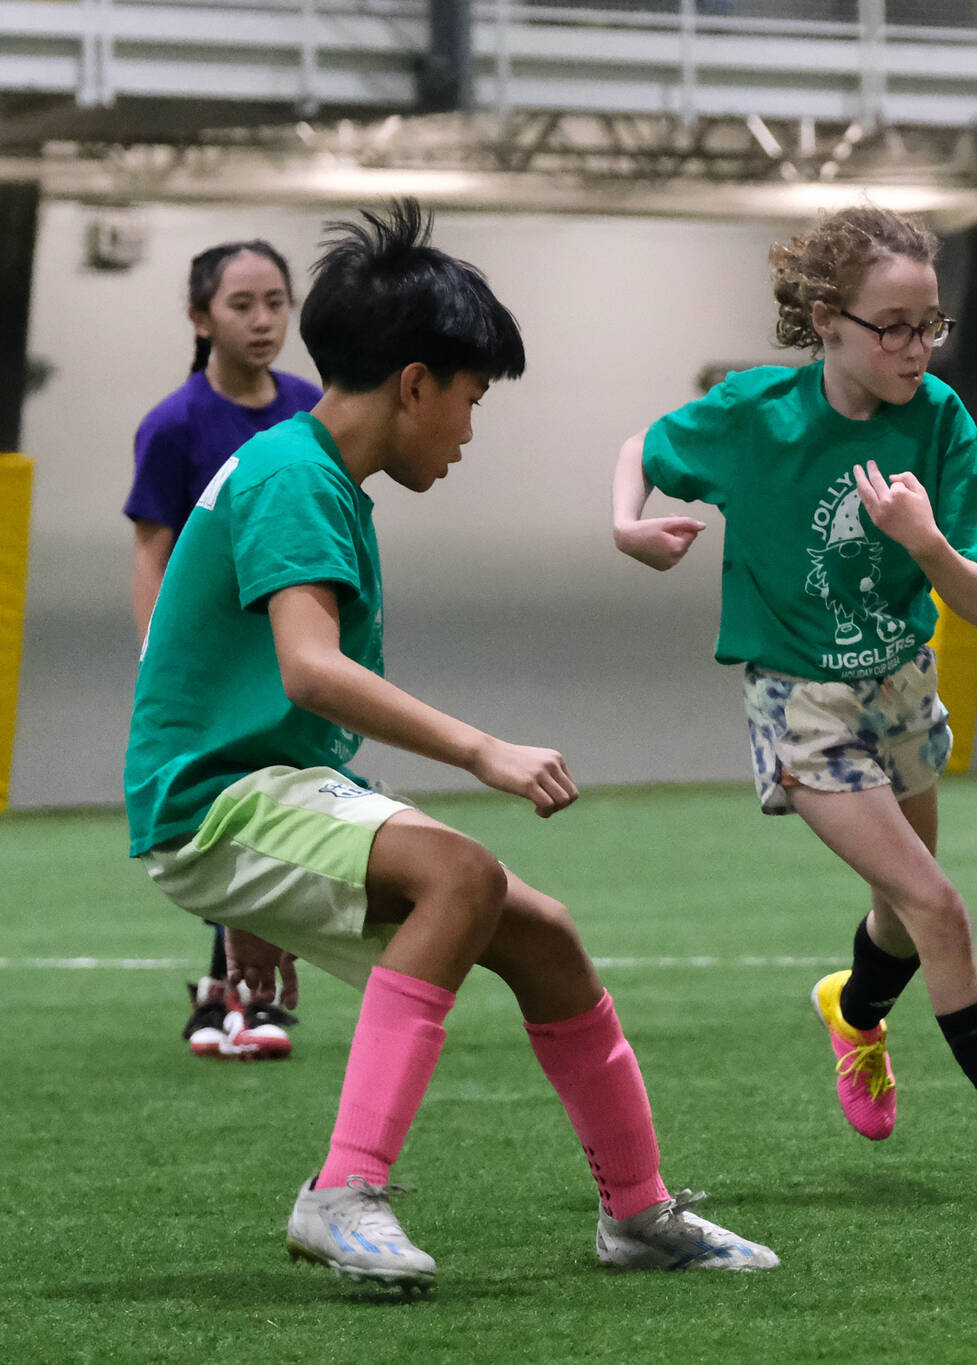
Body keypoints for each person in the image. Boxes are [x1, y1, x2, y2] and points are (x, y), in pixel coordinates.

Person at [124, 200, 777, 1291]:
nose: (470, 431)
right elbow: (310, 669)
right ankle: (343, 1193)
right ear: (417, 382)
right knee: (461, 874)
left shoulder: (314, 472)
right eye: (471, 400)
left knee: (546, 940)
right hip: (222, 800)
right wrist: (482, 750)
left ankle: (638, 1213)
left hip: (270, 785)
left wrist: (251, 903)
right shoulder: (295, 477)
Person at [610, 204, 977, 1208]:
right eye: (894, 326)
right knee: (936, 907)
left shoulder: (939, 419)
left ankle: (854, 1012)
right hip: (802, 707)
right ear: (827, 319)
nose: (916, 347)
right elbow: (640, 446)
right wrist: (627, 523)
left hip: (902, 684)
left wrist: (923, 540)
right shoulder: (753, 416)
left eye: (931, 325)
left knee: (901, 910)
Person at [127, 239, 322, 1060]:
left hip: (290, 648)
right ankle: (233, 994)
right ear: (201, 317)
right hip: (208, 662)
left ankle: (228, 995)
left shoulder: (312, 405)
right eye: (242, 304)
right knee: (223, 811)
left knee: (280, 806)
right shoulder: (172, 425)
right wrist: (155, 661)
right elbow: (152, 548)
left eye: (276, 301)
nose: (263, 319)